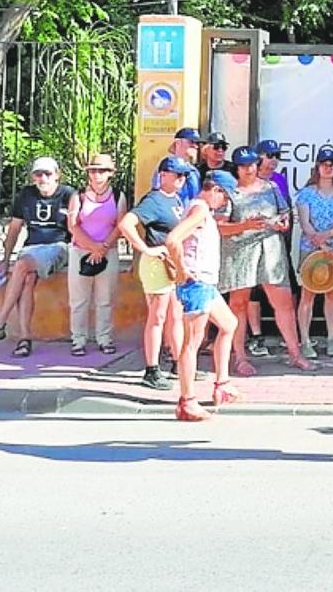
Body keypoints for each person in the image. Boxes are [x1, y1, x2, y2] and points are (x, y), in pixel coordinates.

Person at [219, 145, 309, 375]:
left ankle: (295, 354)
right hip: (240, 253)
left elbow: (285, 213)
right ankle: (240, 358)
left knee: (283, 302)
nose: (248, 169)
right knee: (238, 304)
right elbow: (220, 227)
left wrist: (282, 223)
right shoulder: (229, 193)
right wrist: (245, 225)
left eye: (251, 164)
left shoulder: (270, 187)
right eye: (243, 166)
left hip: (271, 250)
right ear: (236, 169)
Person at [163, 170, 243, 421]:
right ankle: (187, 401)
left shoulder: (201, 210)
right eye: (225, 197)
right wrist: (182, 269)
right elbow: (172, 240)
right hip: (196, 283)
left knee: (229, 324)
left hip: (206, 283)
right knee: (192, 342)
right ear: (215, 190)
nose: (225, 203)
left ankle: (222, 383)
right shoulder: (199, 210)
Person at [0, 157, 75, 358]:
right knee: (27, 279)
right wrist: (5, 259)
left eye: (47, 174)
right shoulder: (26, 194)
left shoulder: (68, 194)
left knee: (22, 266)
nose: (43, 178)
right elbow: (14, 228)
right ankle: (24, 338)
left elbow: (77, 227)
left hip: (57, 246)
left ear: (57, 175)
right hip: (31, 248)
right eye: (38, 174)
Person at [118, 156, 195, 389]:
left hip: (172, 263)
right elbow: (125, 224)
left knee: (175, 315)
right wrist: (145, 249)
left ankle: (177, 361)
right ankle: (151, 369)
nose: (182, 179)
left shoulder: (177, 200)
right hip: (157, 263)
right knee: (158, 316)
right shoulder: (153, 200)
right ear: (163, 175)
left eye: (184, 175)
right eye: (177, 174)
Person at [66, 154, 127, 356]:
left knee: (105, 298)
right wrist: (93, 247)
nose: (97, 174)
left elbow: (120, 225)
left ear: (110, 173)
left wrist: (103, 247)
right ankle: (78, 339)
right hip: (81, 250)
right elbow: (73, 225)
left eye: (102, 170)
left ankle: (104, 338)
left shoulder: (118, 196)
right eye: (93, 170)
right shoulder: (78, 195)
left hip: (107, 251)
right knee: (79, 299)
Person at [294, 146, 333, 358]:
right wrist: (319, 243)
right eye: (324, 164)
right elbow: (305, 223)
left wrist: (328, 236)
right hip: (311, 249)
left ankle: (330, 338)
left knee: (331, 293)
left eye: (331, 164)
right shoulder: (306, 194)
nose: (328, 168)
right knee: (307, 294)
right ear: (317, 167)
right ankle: (305, 339)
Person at [242, 138, 292, 358]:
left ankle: (289, 338)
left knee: (282, 290)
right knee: (252, 293)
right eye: (269, 155)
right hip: (250, 243)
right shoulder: (248, 180)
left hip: (275, 242)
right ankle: (256, 335)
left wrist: (284, 222)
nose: (273, 161)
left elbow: (285, 208)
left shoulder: (279, 180)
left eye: (277, 156)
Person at [153, 127, 201, 204]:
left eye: (197, 143)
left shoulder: (194, 171)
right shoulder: (166, 166)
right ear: (178, 143)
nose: (196, 146)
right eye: (191, 142)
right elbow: (158, 193)